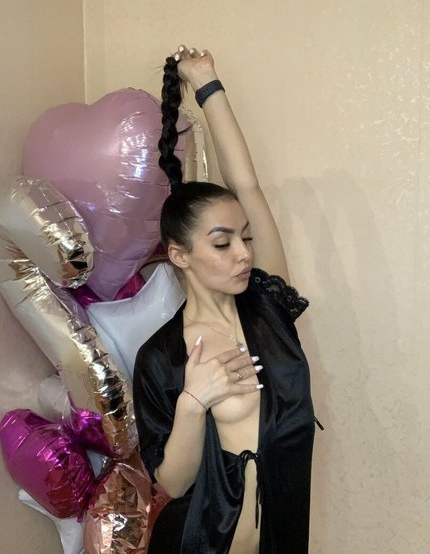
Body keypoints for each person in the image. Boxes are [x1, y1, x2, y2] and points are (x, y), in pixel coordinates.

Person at [133, 44, 321, 554]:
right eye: (222, 244)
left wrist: (205, 81)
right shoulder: (161, 358)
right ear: (180, 255)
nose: (244, 253)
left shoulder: (268, 308)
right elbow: (172, 485)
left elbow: (247, 186)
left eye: (246, 238)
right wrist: (194, 402)